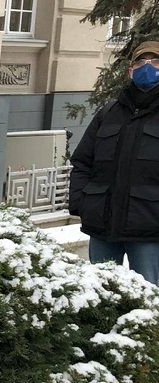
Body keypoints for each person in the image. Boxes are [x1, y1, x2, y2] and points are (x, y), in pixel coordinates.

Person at [70, 40, 159, 285]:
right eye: (141, 61)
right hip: (102, 227)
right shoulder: (109, 112)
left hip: (150, 231)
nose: (147, 67)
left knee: (148, 300)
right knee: (99, 296)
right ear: (130, 70)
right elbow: (82, 162)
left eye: (155, 61)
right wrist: (82, 204)